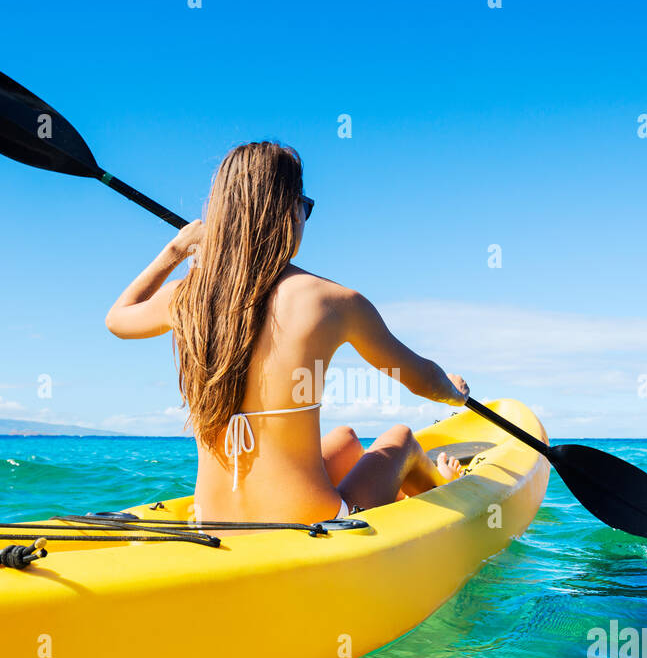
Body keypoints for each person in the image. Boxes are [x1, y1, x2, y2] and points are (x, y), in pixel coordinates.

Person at [106, 141, 468, 525]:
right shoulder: (332, 300)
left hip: (212, 520)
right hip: (311, 520)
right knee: (404, 440)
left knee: (345, 439)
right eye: (305, 206)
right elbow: (421, 379)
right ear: (288, 211)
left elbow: (118, 318)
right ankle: (443, 488)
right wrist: (454, 393)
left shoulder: (187, 296)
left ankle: (391, 497)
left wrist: (177, 248)